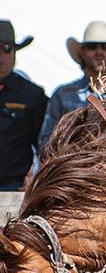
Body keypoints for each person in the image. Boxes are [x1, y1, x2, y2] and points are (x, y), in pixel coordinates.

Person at [38, 21, 106, 150]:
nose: (99, 51)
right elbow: (44, 143)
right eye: (92, 46)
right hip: (72, 167)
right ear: (82, 53)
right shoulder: (63, 95)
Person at [0, 20, 47, 191]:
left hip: (15, 186)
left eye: (6, 49)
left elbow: (46, 142)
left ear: (14, 52)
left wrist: (38, 176)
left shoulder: (32, 94)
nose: (1, 57)